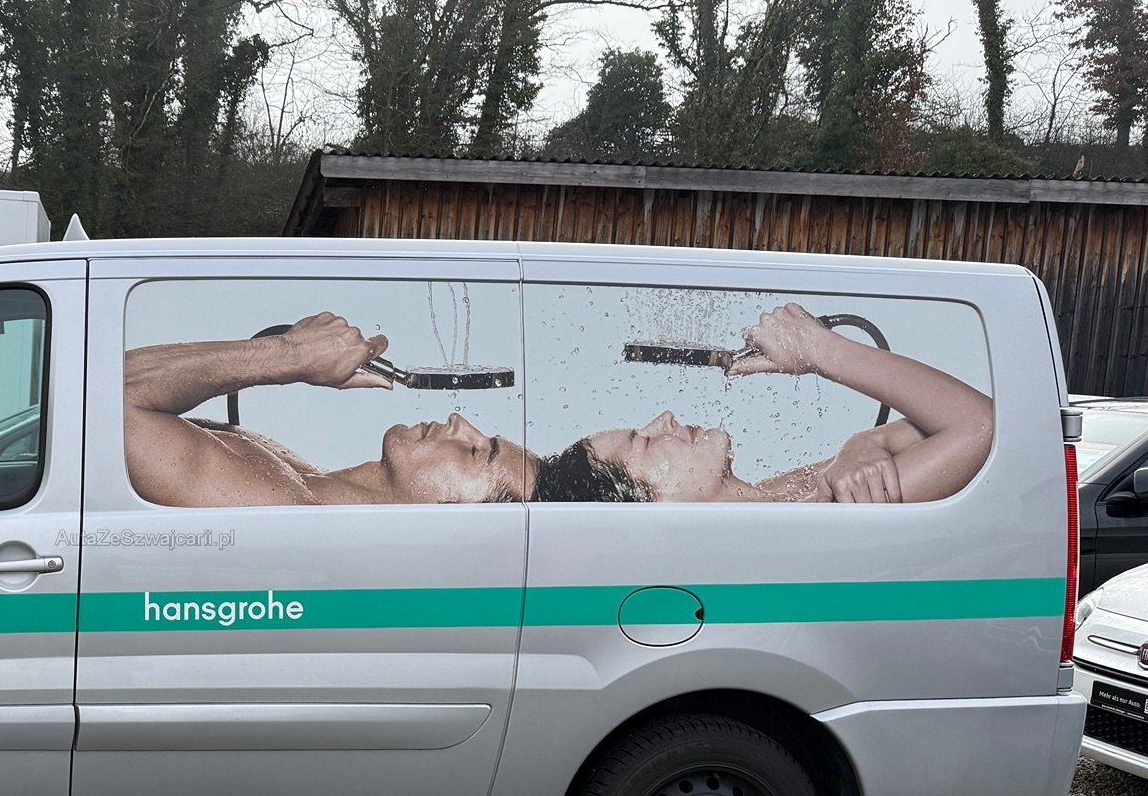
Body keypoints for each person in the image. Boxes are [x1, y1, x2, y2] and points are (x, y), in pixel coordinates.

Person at [534, 302, 994, 503]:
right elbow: (983, 427)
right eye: (647, 441)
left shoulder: (777, 493)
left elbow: (920, 432)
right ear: (656, 506)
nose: (665, 418)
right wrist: (821, 351)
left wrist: (865, 443)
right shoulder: (819, 522)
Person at [125, 312, 530, 506]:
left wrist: (289, 354)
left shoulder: (288, 514)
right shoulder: (303, 477)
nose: (460, 421)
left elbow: (106, 405)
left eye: (477, 452)